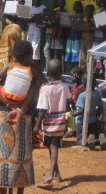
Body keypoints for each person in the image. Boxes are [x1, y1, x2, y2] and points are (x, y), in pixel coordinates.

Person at [0, 40, 40, 193]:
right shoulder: (32, 73)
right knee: (21, 156)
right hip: (22, 114)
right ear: (29, 56)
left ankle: (3, 190)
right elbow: (40, 83)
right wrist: (21, 108)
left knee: (2, 154)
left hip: (3, 112)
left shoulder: (9, 65)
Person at [33, 59, 71, 189]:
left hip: (49, 122)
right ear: (62, 72)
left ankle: (50, 175)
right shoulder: (65, 86)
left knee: (53, 147)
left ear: (47, 72)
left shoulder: (45, 89)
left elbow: (42, 109)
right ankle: (57, 174)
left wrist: (37, 124)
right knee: (52, 146)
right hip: (60, 121)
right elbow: (68, 99)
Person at [0, 41, 47, 111]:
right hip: (21, 100)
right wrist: (36, 67)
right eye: (31, 55)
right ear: (27, 57)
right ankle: (22, 106)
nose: (32, 58)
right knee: (34, 82)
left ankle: (5, 105)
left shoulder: (10, 65)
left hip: (6, 97)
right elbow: (44, 81)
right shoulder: (32, 70)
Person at [71, 72, 102, 149]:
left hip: (82, 122)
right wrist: (97, 115)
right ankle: (96, 140)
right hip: (93, 121)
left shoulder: (82, 95)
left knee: (79, 139)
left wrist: (74, 114)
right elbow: (100, 107)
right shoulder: (97, 94)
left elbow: (82, 110)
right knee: (92, 135)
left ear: (84, 84)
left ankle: (86, 142)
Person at [26, 0, 46, 67]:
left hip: (38, 29)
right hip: (30, 28)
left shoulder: (43, 8)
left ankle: (36, 65)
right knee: (29, 45)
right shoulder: (31, 8)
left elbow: (39, 18)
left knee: (36, 47)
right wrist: (32, 18)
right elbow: (28, 19)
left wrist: (33, 18)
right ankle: (29, 63)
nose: (36, 0)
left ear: (40, 0)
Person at [64, 1, 82, 72]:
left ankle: (76, 70)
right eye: (75, 6)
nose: (76, 7)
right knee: (71, 53)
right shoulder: (71, 16)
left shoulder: (81, 16)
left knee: (76, 54)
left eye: (78, 6)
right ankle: (72, 70)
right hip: (70, 36)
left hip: (77, 37)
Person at [44, 0, 60, 70]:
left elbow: (57, 22)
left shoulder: (58, 10)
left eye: (54, 0)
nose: (53, 1)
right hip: (47, 31)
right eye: (52, 0)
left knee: (46, 50)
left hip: (53, 32)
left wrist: (51, 23)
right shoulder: (50, 10)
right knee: (48, 51)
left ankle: (48, 69)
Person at [79, 4, 95, 68]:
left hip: (90, 39)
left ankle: (88, 72)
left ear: (92, 11)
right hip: (83, 38)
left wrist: (90, 22)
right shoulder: (84, 19)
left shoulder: (94, 19)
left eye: (89, 10)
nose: (87, 12)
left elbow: (94, 29)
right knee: (82, 57)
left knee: (89, 57)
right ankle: (82, 71)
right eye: (86, 10)